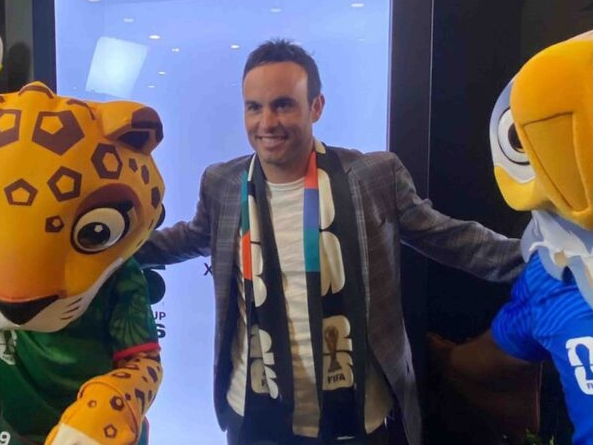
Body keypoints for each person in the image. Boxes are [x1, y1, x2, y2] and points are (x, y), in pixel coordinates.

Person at [135, 39, 523, 445]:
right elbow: (189, 238)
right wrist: (104, 255)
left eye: (283, 105)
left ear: (316, 106)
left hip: (358, 418)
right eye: (254, 107)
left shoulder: (373, 176)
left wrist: (544, 260)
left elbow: (450, 238)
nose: (267, 122)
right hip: (253, 416)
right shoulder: (223, 183)